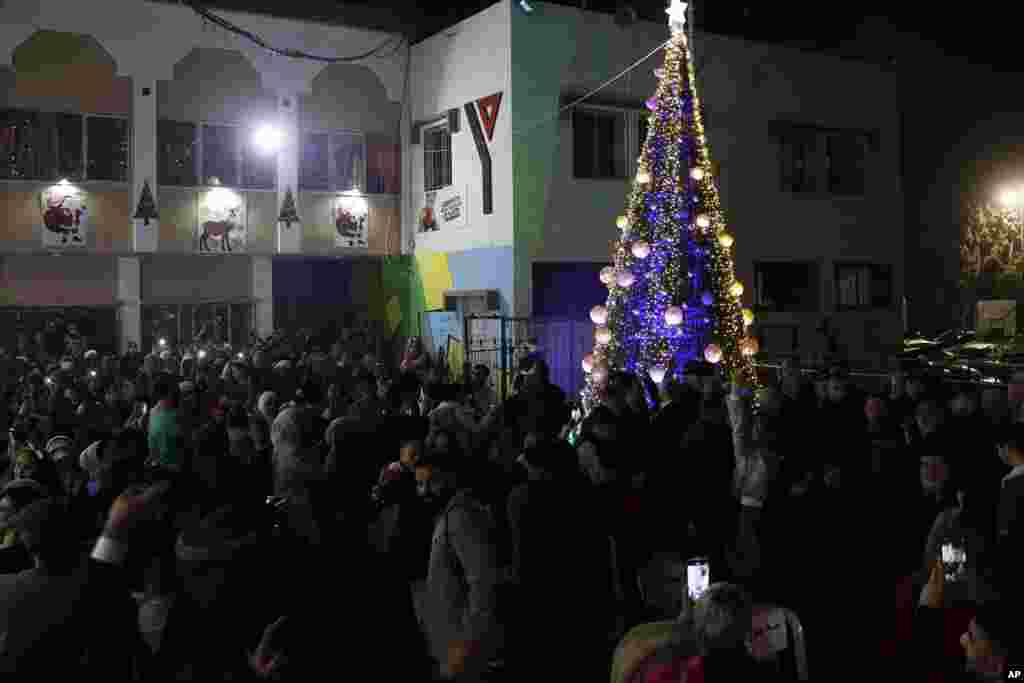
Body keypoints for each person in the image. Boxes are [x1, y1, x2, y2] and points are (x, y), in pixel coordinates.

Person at [414, 443, 502, 682]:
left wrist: (469, 647)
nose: (424, 491)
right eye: (419, 484)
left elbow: (482, 583)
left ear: (450, 478)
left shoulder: (462, 516)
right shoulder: (449, 514)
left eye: (430, 482)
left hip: (463, 650)